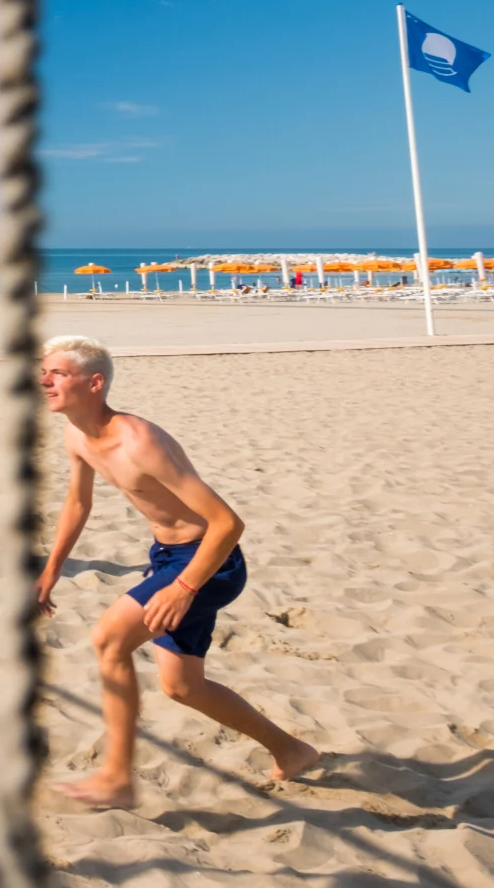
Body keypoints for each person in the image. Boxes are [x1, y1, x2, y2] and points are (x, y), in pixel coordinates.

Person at [34, 334, 319, 808]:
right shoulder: (76, 434)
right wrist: (51, 570)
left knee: (109, 639)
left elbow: (229, 523)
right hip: (167, 558)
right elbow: (78, 502)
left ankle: (117, 778)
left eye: (58, 373)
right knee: (183, 687)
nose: (44, 381)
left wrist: (186, 587)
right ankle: (293, 751)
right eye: (44, 372)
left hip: (212, 560)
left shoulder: (140, 442)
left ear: (95, 382)